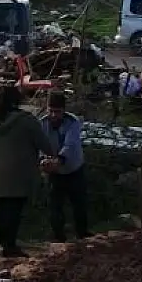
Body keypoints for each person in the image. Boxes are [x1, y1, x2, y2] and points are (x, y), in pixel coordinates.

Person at [0, 83, 58, 257]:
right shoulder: (26, 120)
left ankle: (3, 244)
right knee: (14, 210)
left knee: (0, 209)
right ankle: (10, 246)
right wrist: (52, 154)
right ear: (17, 100)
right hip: (19, 174)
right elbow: (45, 145)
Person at [40, 90, 88, 241]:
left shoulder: (72, 122)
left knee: (79, 204)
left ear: (64, 111)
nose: (54, 115)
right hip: (54, 172)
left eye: (58, 112)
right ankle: (58, 237)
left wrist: (58, 160)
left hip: (73, 168)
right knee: (55, 206)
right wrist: (42, 160)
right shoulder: (42, 123)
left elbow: (70, 144)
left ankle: (83, 234)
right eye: (51, 111)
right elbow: (39, 145)